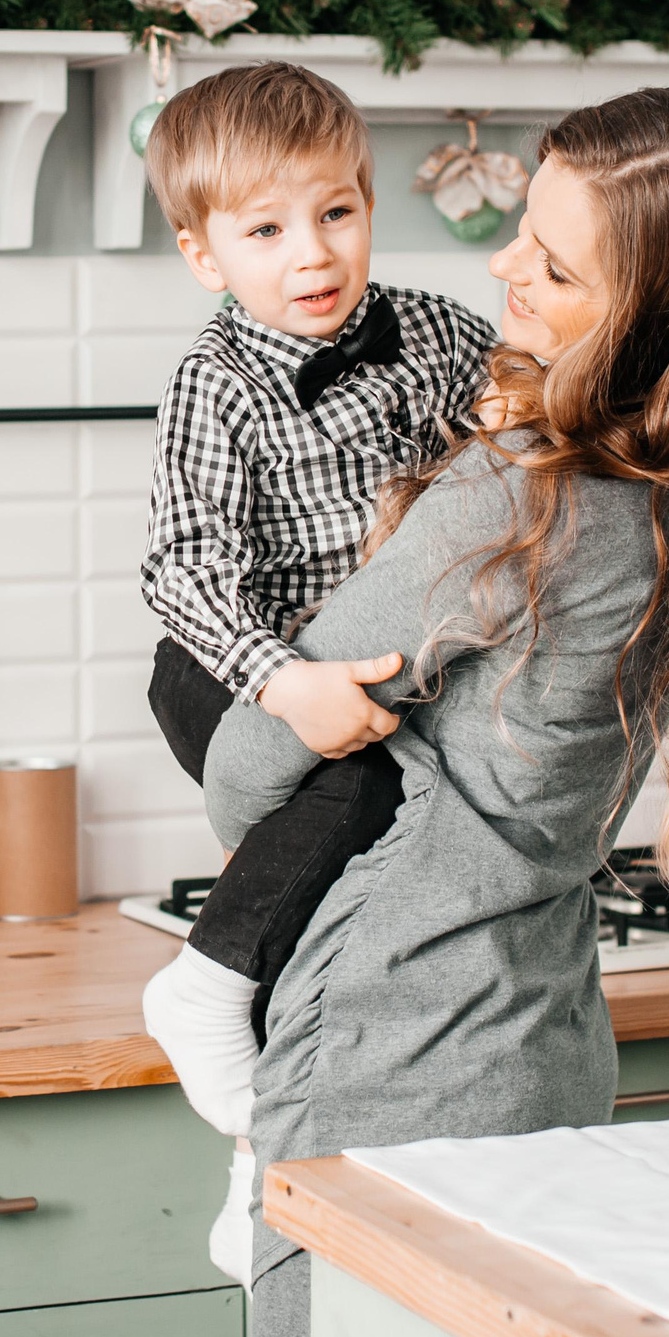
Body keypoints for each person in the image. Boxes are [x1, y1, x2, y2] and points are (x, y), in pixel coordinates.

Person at [196, 88, 669, 1337]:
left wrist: (264, 696)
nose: (502, 270)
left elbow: (247, 780)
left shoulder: (525, 500)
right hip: (539, 1050)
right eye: (518, 234)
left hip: (388, 1063)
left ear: (660, 318)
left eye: (552, 263)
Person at [133, 62, 497, 1273]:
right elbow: (179, 569)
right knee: (358, 794)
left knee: (347, 904)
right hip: (224, 666)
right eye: (267, 229)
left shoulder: (440, 334)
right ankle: (201, 985)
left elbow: (521, 446)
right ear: (204, 256)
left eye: (336, 212)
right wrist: (282, 680)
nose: (313, 254)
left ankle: (261, 1164)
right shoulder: (216, 382)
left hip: (374, 675)